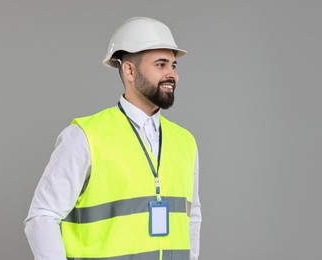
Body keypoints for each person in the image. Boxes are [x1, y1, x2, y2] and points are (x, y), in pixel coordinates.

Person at [24, 17, 201, 260]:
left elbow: (192, 218)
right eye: (161, 65)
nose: (172, 75)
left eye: (173, 66)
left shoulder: (185, 142)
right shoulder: (85, 136)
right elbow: (42, 216)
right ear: (129, 70)